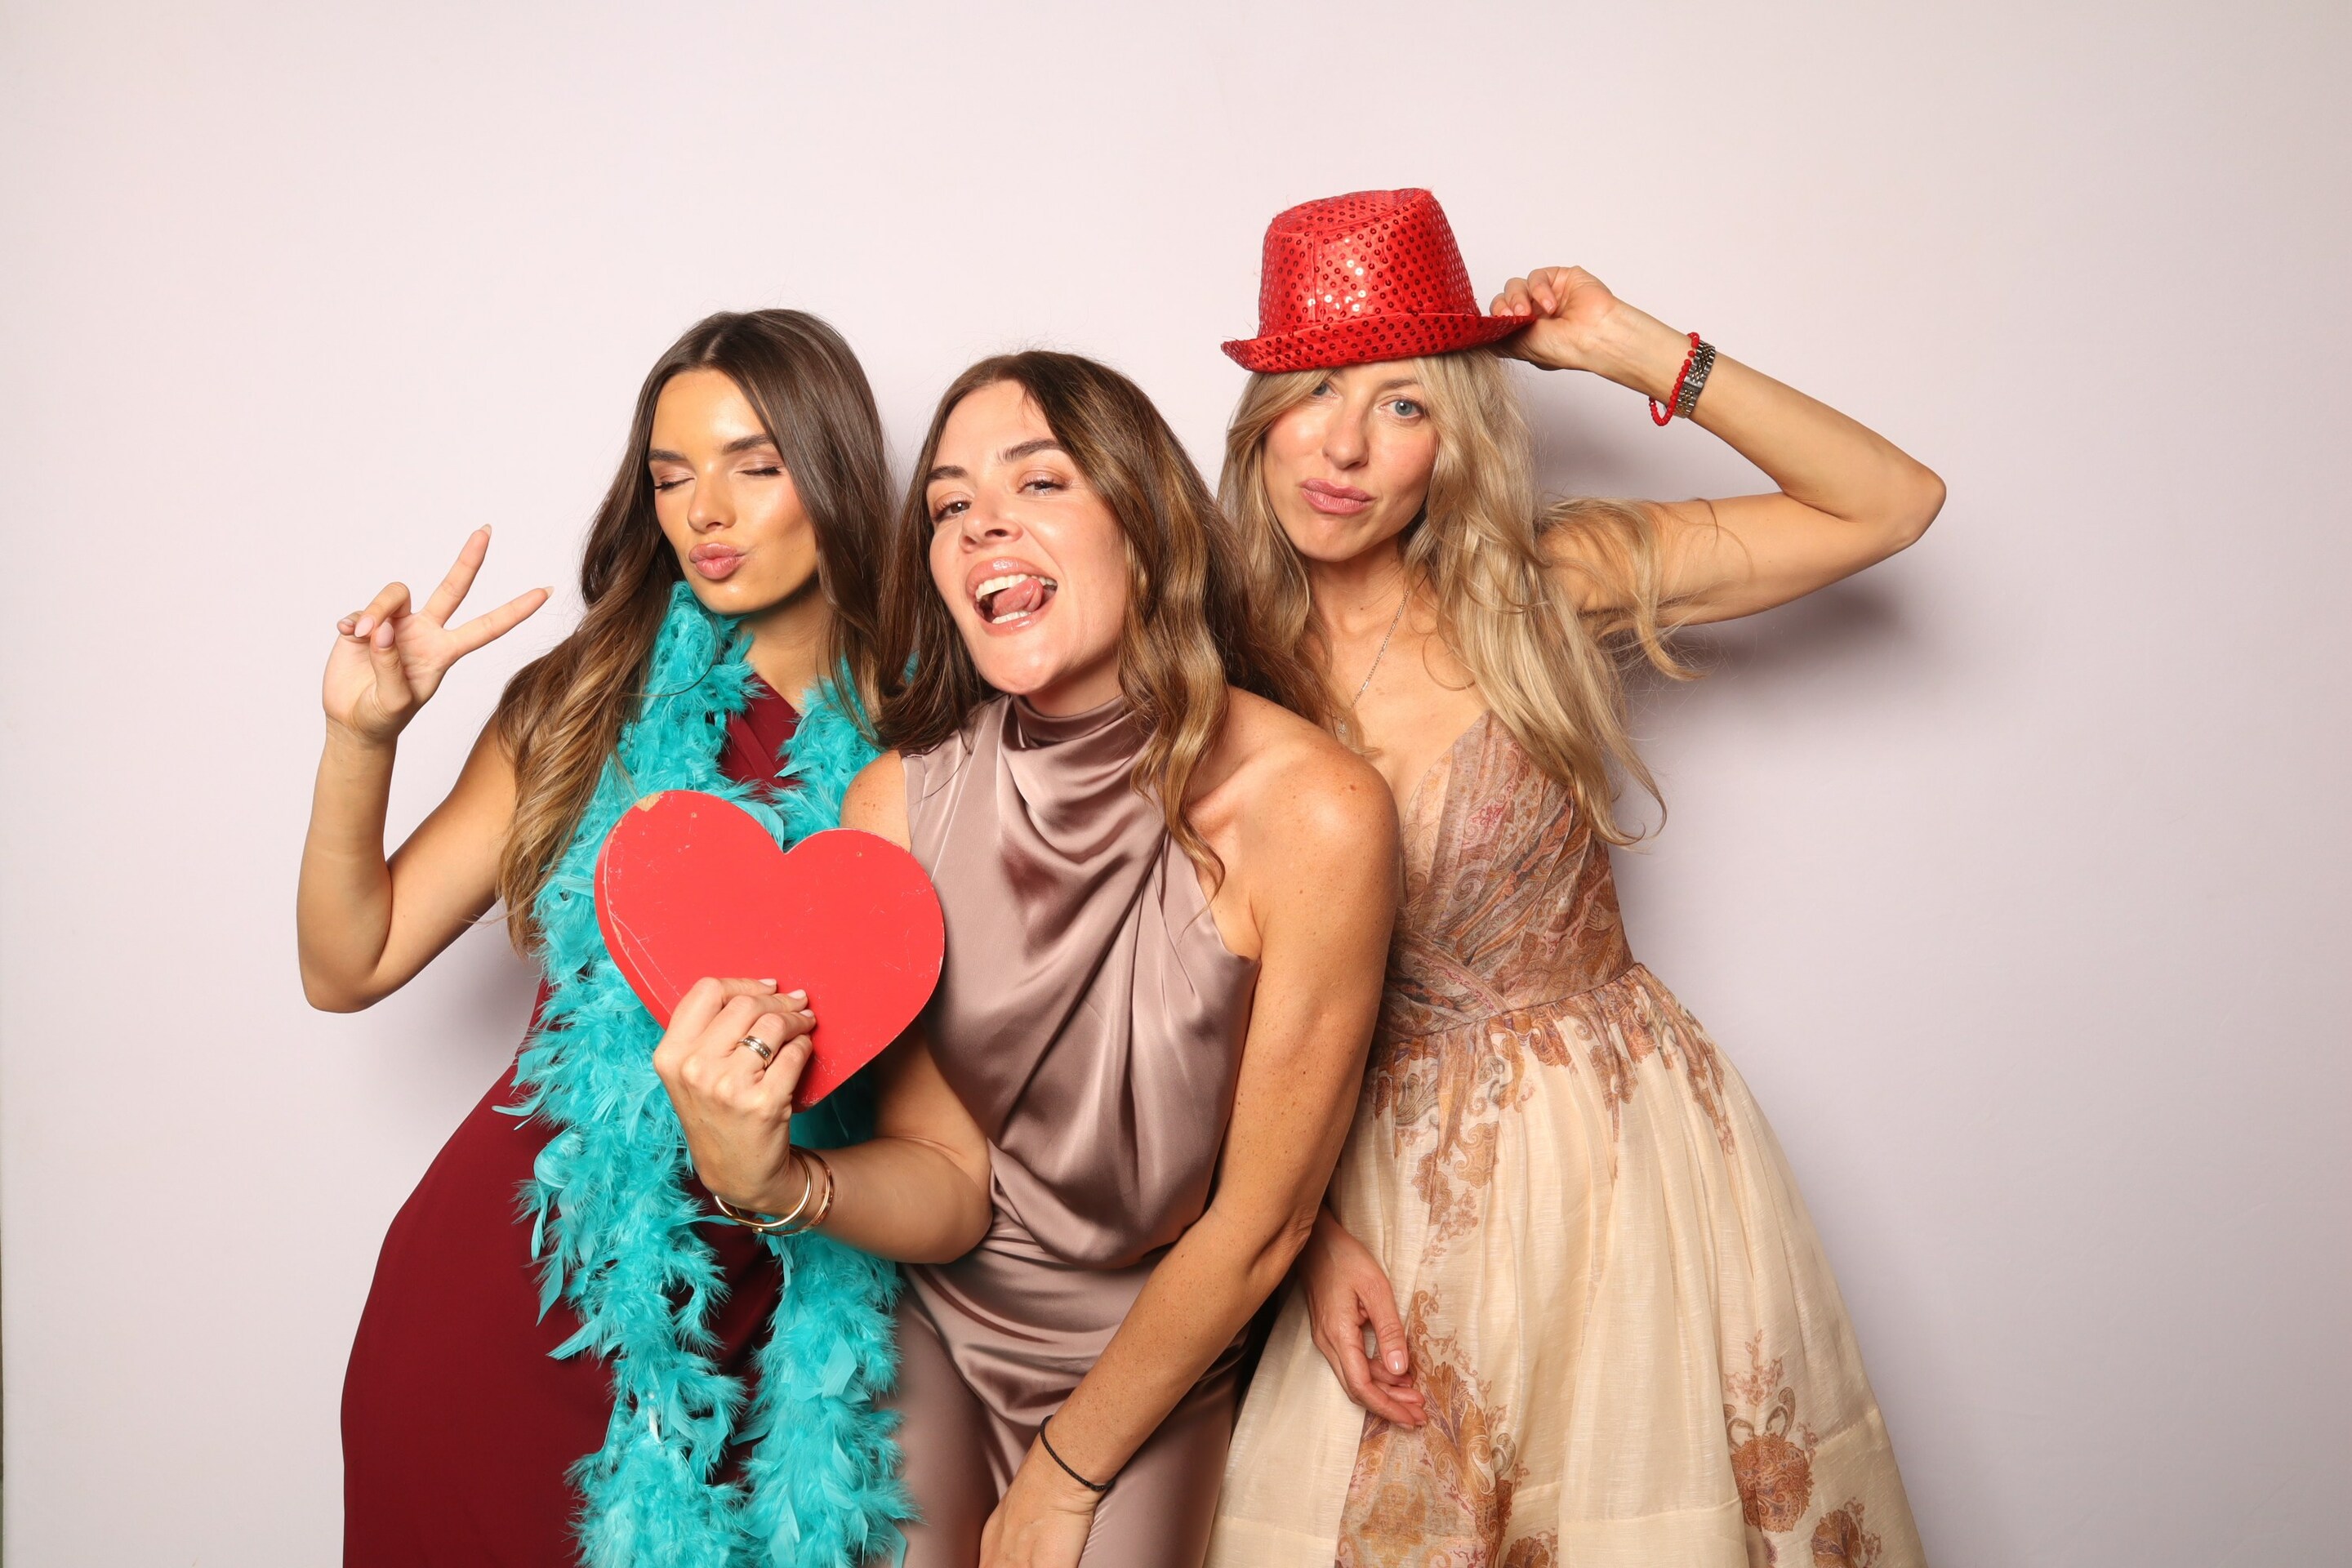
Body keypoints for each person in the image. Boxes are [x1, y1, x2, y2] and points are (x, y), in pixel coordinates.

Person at [1205, 190, 1942, 1567]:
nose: (1345, 446)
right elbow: (1185, 1013)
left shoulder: (1541, 584)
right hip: (1351, 1177)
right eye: (1312, 393)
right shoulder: (1201, 659)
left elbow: (1891, 503)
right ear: (1261, 423)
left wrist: (1627, 347)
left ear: (1455, 439)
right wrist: (1305, 1239)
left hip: (1621, 1163)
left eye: (1404, 404)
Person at [648, 350, 1400, 1568]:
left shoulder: (1317, 810)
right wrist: (773, 1179)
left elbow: (1261, 1224)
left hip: (1158, 1349)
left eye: (1038, 482)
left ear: (1146, 526)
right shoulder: (896, 805)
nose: (982, 522)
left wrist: (1064, 1477)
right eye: (949, 504)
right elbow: (950, 1183)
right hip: (940, 1324)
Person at [301, 310, 909, 1567]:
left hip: (769, 1340)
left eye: (754, 465)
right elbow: (347, 961)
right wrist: (362, 741)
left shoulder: (937, 735)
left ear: (836, 472)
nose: (706, 512)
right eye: (671, 477)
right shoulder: (583, 704)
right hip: (507, 1307)